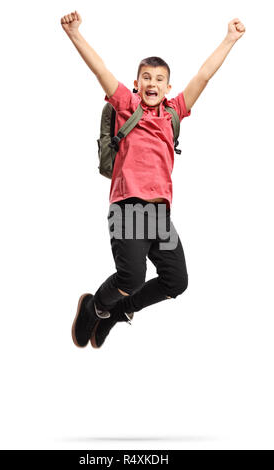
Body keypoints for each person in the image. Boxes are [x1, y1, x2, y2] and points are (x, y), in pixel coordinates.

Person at [60, 10, 246, 349]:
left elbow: (203, 76)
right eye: (146, 77)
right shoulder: (126, 105)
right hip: (128, 206)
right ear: (136, 83)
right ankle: (96, 307)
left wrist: (230, 39)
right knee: (131, 277)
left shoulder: (174, 112)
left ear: (168, 87)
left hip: (159, 214)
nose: (152, 84)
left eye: (159, 79)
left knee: (177, 280)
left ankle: (119, 312)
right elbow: (100, 69)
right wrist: (74, 34)